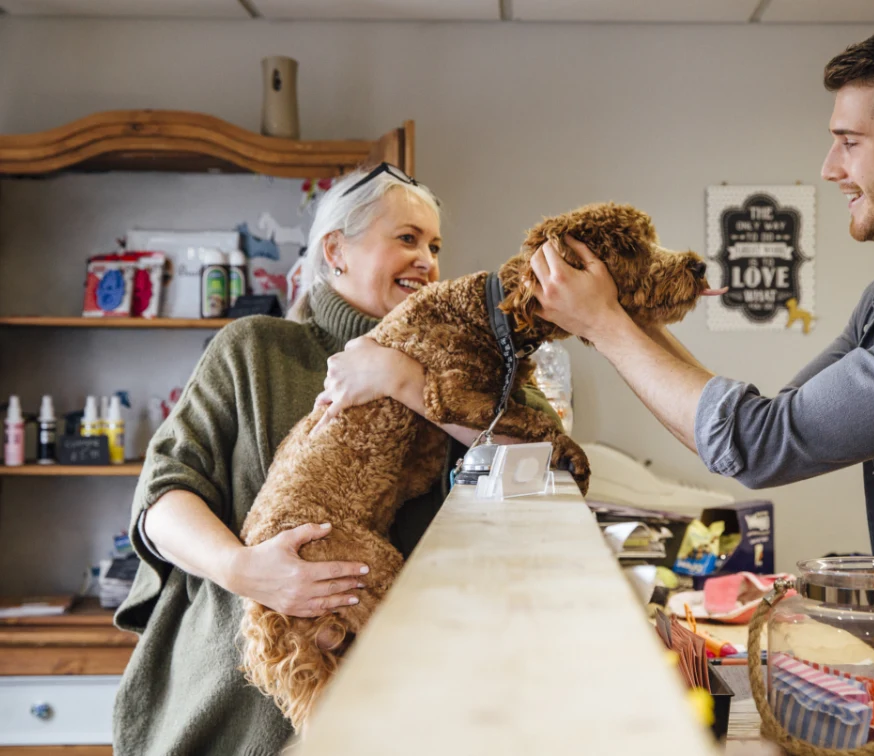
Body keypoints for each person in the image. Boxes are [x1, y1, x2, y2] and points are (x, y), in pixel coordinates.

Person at [527, 22, 874, 755]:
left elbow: (756, 444)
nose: (831, 167)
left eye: (850, 140)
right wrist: (624, 317)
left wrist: (608, 326)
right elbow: (754, 429)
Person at [113, 164, 560, 755]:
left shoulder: (466, 368)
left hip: (413, 702)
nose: (427, 259)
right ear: (336, 250)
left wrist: (404, 380)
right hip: (240, 701)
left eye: (434, 245)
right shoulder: (255, 351)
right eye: (406, 238)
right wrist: (245, 570)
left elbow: (546, 463)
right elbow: (162, 499)